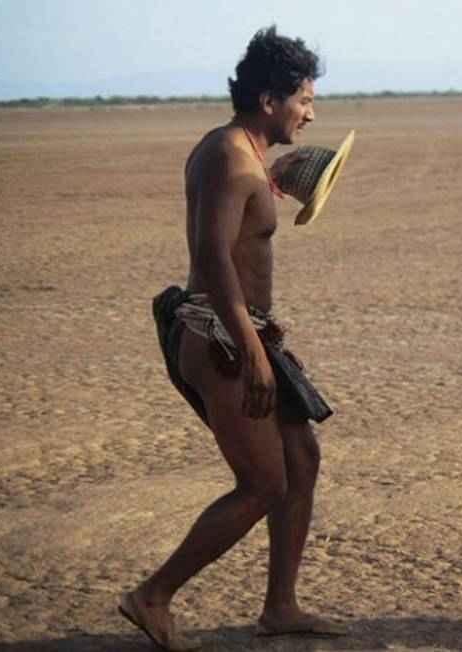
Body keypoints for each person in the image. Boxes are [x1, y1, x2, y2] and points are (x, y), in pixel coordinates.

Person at [118, 26, 346, 650]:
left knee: (301, 458)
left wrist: (273, 189)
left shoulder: (243, 154)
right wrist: (251, 351)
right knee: (263, 483)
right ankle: (152, 595)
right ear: (270, 99)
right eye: (304, 99)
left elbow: (239, 236)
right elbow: (212, 258)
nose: (311, 112)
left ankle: (280, 606)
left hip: (246, 331)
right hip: (221, 338)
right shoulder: (227, 155)